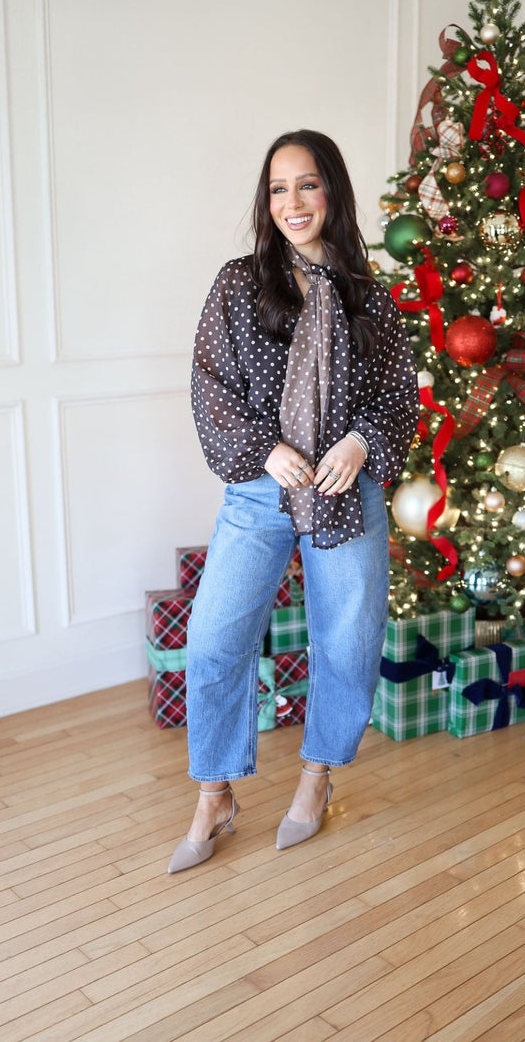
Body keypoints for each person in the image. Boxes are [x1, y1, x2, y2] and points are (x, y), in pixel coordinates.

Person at [168, 129, 419, 874]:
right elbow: (210, 385)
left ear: (332, 191)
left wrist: (361, 443)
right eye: (278, 189)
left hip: (347, 493)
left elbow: (398, 397)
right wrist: (264, 450)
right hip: (260, 490)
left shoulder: (369, 297)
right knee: (213, 640)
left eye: (307, 185)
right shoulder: (239, 284)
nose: (292, 203)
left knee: (345, 640)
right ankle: (215, 792)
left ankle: (316, 778)